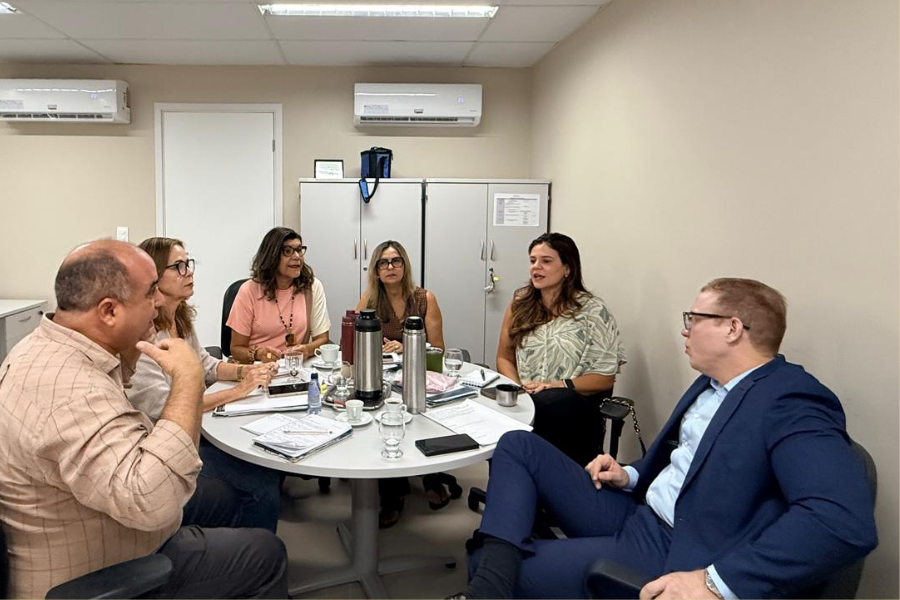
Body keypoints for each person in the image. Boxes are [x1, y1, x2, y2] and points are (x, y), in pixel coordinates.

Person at [461, 278, 878, 599]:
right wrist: (630, 474)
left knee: (486, 561)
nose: (686, 331)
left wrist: (716, 583)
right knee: (517, 443)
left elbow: (840, 521)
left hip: (673, 544)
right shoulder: (711, 383)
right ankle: (509, 562)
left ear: (733, 328)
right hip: (637, 510)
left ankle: (499, 572)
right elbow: (687, 462)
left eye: (694, 319)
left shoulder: (790, 399)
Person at [0, 240, 287, 599]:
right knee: (265, 553)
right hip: (102, 567)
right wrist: (188, 380)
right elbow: (154, 503)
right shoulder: (72, 389)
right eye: (150, 292)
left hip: (103, 515)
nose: (157, 303)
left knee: (232, 496)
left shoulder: (51, 346)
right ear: (108, 311)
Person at [127, 236, 281, 532]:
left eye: (189, 264)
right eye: (179, 266)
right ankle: (253, 555)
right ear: (154, 277)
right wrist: (239, 391)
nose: (189, 272)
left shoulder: (179, 318)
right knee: (261, 480)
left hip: (196, 428)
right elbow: (165, 406)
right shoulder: (145, 338)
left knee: (264, 451)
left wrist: (247, 371)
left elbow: (207, 365)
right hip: (166, 445)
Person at [496, 232, 626, 465]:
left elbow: (605, 378)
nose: (536, 267)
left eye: (546, 261)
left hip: (575, 405)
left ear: (568, 268)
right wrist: (518, 389)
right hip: (527, 399)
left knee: (552, 402)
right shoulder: (519, 305)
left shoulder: (593, 312)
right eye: (532, 260)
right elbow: (504, 358)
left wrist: (555, 385)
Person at [354, 240, 457, 527]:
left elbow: (438, 348)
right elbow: (355, 345)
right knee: (386, 419)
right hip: (383, 377)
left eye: (396, 261)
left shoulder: (425, 299)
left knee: (422, 415)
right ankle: (393, 493)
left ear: (404, 266)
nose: (390, 267)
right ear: (375, 270)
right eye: (383, 263)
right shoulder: (369, 301)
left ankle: (431, 476)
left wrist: (405, 346)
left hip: (419, 375)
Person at [228, 226, 331, 363]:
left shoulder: (312, 287)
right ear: (272, 256)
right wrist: (259, 354)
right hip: (257, 368)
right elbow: (236, 349)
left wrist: (307, 349)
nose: (297, 257)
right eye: (288, 251)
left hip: (295, 369)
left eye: (299, 250)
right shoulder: (249, 290)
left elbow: (322, 339)